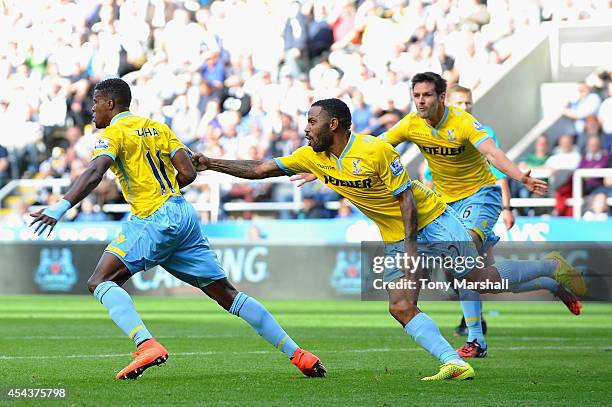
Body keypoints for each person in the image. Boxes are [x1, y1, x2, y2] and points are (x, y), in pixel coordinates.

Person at [191, 98, 586, 381]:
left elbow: (407, 198)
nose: (305, 128)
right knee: (399, 306)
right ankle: (455, 362)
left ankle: (551, 267)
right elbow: (260, 168)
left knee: (480, 280)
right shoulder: (313, 158)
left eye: (311, 121)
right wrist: (211, 163)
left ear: (333, 125)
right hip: (398, 235)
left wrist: (412, 251)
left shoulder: (375, 149)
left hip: (431, 219)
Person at [29, 78, 325, 381]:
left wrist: (60, 207)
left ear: (110, 104)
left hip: (152, 215)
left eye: (95, 103)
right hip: (183, 213)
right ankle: (299, 355)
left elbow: (94, 172)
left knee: (100, 281)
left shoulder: (115, 133)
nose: (91, 110)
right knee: (227, 295)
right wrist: (165, 188)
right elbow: (188, 172)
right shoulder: (159, 128)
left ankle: (146, 345)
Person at [292, 74, 579, 358]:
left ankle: (476, 340)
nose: (421, 101)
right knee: (483, 279)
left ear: (442, 98)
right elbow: (373, 147)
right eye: (416, 96)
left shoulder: (465, 124)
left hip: (480, 196)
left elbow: (492, 154)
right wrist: (327, 163)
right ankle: (549, 273)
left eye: (427, 95)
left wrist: (520, 178)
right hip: (444, 202)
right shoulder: (412, 124)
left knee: (468, 272)